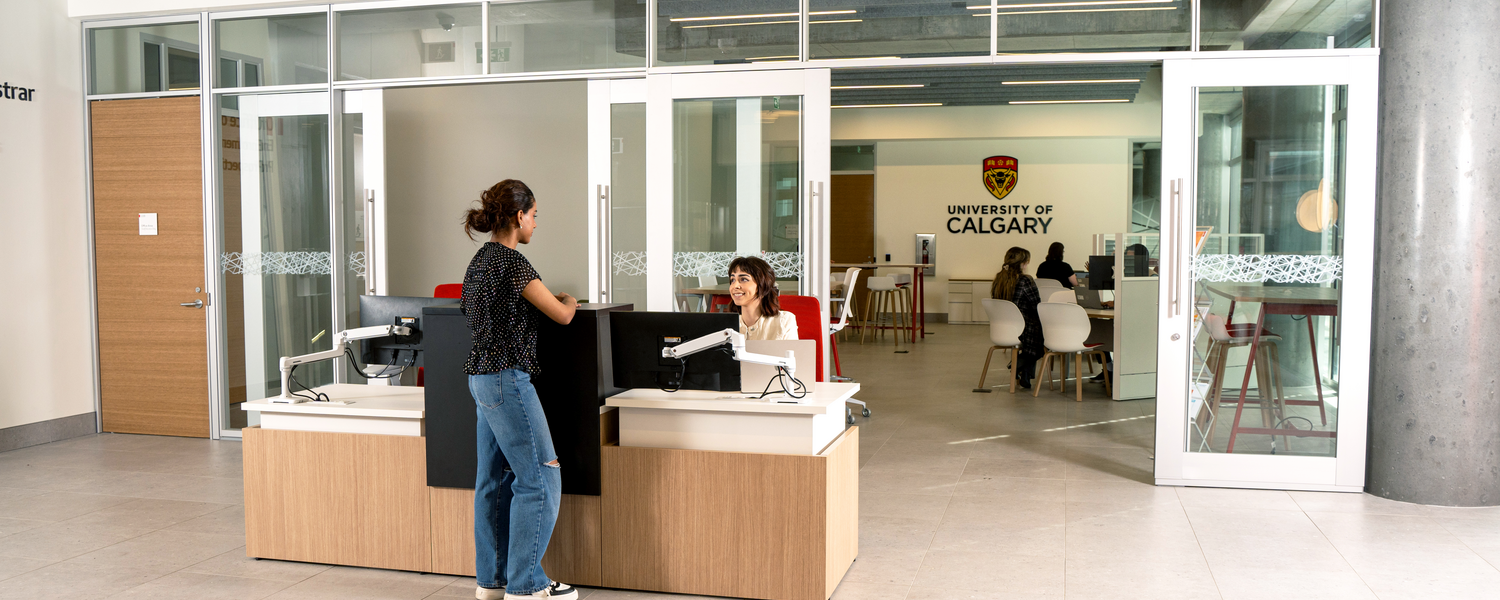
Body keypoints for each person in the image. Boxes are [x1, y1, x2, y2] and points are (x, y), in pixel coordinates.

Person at [461, 179, 581, 600]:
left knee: (492, 482)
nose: (535, 224)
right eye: (534, 216)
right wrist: (571, 300)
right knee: (541, 479)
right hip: (507, 379)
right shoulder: (512, 264)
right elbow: (562, 315)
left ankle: (492, 582)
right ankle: (527, 585)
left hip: (479, 379)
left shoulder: (479, 261)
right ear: (519, 216)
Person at [991, 247, 1043, 389]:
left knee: (1035, 332)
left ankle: (1024, 374)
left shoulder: (999, 279)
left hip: (1002, 329)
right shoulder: (1025, 280)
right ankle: (1018, 364)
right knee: (1042, 337)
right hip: (1023, 330)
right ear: (1023, 263)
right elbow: (1037, 305)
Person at [726, 256, 798, 340]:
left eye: (744, 279)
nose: (735, 286)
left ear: (763, 286)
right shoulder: (725, 325)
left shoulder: (784, 322)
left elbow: (792, 353)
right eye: (733, 280)